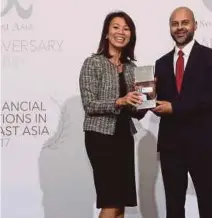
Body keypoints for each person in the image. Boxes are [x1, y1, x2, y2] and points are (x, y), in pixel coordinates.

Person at [152, 6, 212, 218]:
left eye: (185, 23)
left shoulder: (211, 57)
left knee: (209, 201)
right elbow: (160, 105)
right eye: (175, 24)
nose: (180, 28)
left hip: (202, 142)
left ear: (195, 25)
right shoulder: (161, 63)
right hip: (170, 145)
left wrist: (174, 107)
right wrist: (148, 100)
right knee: (173, 205)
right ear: (170, 28)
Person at [79, 11, 145, 218]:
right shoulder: (93, 63)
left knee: (121, 203)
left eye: (126, 29)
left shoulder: (132, 69)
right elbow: (90, 104)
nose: (121, 32)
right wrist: (120, 101)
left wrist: (147, 98)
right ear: (106, 33)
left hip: (124, 136)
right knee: (111, 200)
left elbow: (137, 113)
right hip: (100, 137)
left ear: (131, 35)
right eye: (116, 27)